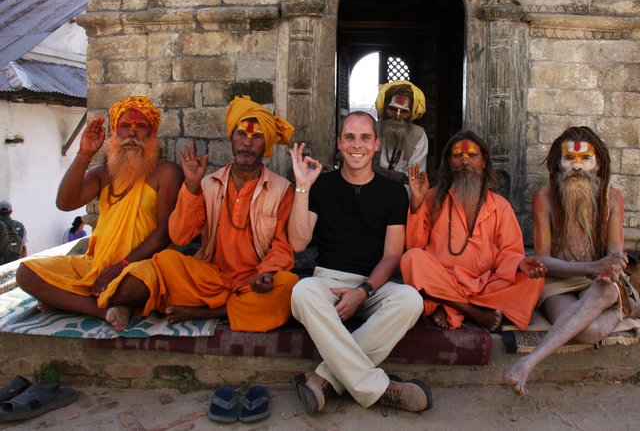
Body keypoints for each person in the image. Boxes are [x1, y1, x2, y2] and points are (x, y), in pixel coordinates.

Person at [504, 126, 640, 395]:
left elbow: (615, 256)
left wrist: (607, 269)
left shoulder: (613, 198)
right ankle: (624, 312)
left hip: (600, 281)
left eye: (585, 159)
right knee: (587, 332)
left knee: (601, 297)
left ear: (598, 165)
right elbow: (543, 260)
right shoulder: (544, 198)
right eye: (570, 159)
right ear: (558, 163)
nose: (577, 167)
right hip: (558, 281)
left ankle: (528, 362)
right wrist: (590, 267)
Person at [288, 112, 431, 416]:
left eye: (365, 137)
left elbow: (393, 255)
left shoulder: (393, 192)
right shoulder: (322, 186)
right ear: (339, 143)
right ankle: (380, 388)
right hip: (327, 282)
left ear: (376, 144)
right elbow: (298, 242)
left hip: (373, 285)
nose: (357, 145)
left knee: (410, 300)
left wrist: (363, 291)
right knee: (302, 292)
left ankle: (324, 379)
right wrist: (302, 186)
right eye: (349, 137)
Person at [125, 95, 299, 332]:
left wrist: (267, 273)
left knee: (288, 285)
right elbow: (180, 237)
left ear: (265, 145)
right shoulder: (207, 184)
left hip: (252, 280)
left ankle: (207, 312)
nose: (247, 143)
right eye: (241, 134)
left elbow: (281, 245)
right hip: (210, 278)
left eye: (256, 137)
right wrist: (192, 187)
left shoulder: (281, 189)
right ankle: (232, 307)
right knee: (166, 262)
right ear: (231, 138)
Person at [16, 96, 183, 331]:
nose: (132, 133)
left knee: (136, 286)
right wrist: (84, 154)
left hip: (142, 265)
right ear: (115, 132)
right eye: (125, 126)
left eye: (140, 126)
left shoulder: (166, 173)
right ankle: (105, 310)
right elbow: (65, 203)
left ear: (152, 134)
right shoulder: (102, 173)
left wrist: (122, 265)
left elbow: (165, 233)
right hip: (97, 265)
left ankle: (70, 300)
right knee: (26, 274)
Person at [401, 131, 545, 332]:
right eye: (458, 155)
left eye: (472, 155)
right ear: (449, 163)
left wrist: (520, 263)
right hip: (443, 279)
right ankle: (473, 312)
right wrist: (416, 204)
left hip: (484, 286)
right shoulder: (433, 197)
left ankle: (446, 306)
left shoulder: (500, 206)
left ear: (484, 162)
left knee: (533, 282)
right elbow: (415, 246)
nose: (464, 161)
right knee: (411, 259)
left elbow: (509, 253)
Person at [372, 80, 428, 185]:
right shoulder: (373, 129)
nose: (397, 116)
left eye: (404, 111)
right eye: (392, 109)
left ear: (411, 114)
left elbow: (413, 178)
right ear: (384, 109)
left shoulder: (418, 135)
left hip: (403, 192)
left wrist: (374, 169)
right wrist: (392, 175)